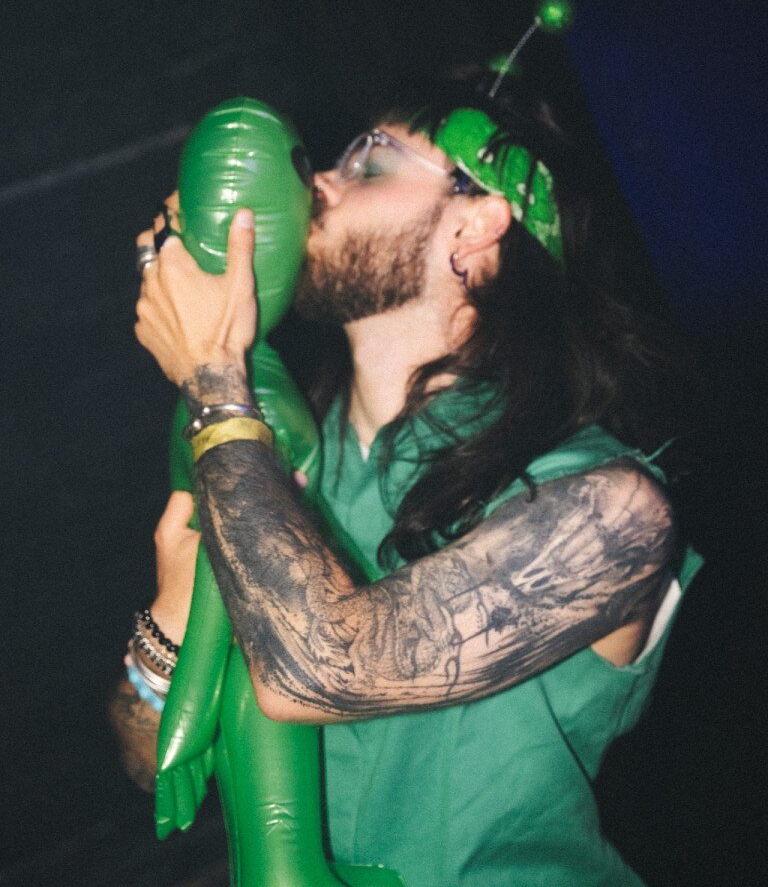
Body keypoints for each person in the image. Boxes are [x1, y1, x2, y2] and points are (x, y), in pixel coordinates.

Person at [114, 77, 701, 886]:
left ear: (480, 220)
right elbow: (150, 765)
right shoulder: (273, 459)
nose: (318, 179)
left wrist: (213, 374)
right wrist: (169, 632)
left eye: (371, 159)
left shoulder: (608, 508)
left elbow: (322, 668)